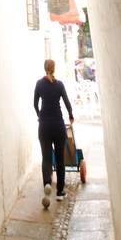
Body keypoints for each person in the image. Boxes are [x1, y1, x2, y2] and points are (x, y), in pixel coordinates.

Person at [33, 58, 74, 206]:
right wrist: (71, 115)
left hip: (44, 126)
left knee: (46, 157)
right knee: (60, 159)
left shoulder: (39, 84)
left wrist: (40, 116)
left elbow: (35, 104)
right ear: (54, 68)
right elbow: (67, 102)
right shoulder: (59, 85)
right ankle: (60, 191)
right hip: (58, 125)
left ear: (45, 68)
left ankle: (47, 184)